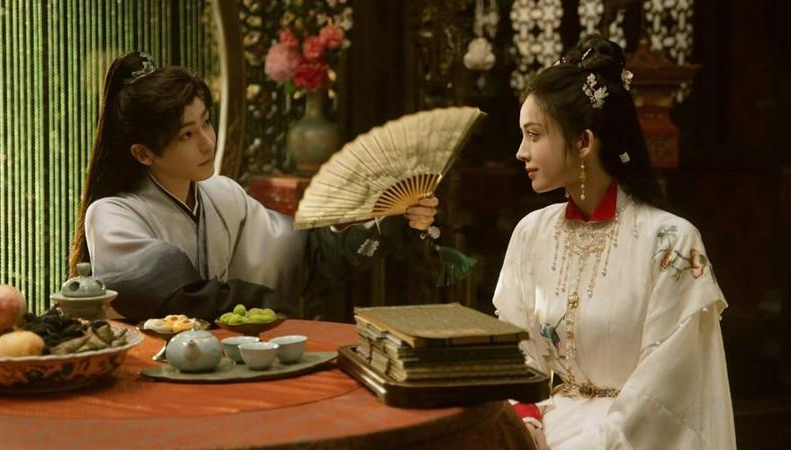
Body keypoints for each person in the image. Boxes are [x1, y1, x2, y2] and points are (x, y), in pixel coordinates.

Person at [68, 51, 439, 323]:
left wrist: (391, 223)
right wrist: (264, 302)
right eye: (186, 134)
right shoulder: (113, 214)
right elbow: (178, 296)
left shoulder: (223, 195)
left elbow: (306, 255)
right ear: (143, 153)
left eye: (206, 122)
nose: (207, 143)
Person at [492, 35, 735, 449]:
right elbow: (514, 352)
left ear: (583, 142)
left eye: (534, 134)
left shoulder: (672, 243)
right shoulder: (531, 233)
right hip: (543, 429)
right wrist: (526, 421)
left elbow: (666, 392)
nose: (520, 152)